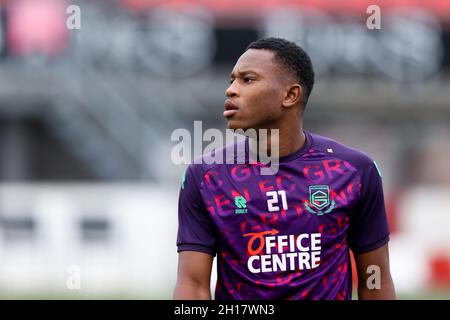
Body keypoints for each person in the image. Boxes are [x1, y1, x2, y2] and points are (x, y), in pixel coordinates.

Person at [174, 37, 396, 300]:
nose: (231, 90)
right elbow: (193, 285)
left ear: (290, 95)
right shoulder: (206, 176)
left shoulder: (354, 171)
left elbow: (375, 281)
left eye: (247, 79)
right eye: (232, 80)